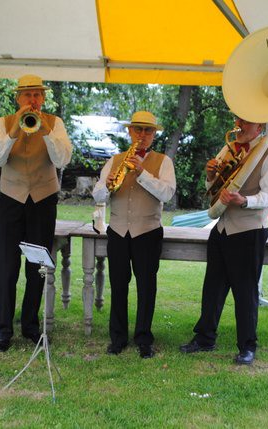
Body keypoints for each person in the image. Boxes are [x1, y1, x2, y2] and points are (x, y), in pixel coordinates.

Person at [179, 114, 268, 365]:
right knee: (212, 287)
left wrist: (245, 201)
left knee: (245, 292)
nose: (239, 125)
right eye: (238, 119)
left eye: (246, 120)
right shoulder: (229, 149)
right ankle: (205, 337)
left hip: (249, 229)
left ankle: (247, 346)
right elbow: (213, 188)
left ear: (259, 125)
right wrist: (210, 175)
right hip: (222, 227)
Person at [0, 74, 72, 352]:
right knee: (6, 266)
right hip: (11, 199)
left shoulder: (55, 123)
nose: (32, 100)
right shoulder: (3, 123)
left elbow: (62, 159)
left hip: (43, 199)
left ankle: (31, 325)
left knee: (37, 266)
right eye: (27, 95)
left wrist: (45, 131)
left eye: (37, 95)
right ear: (17, 98)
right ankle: (3, 330)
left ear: (43, 98)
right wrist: (13, 132)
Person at [92, 111, 176, 359]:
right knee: (118, 285)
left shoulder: (163, 162)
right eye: (137, 129)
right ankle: (117, 338)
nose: (142, 134)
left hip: (148, 231)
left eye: (148, 130)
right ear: (129, 132)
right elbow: (97, 195)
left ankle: (144, 338)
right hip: (118, 230)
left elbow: (167, 193)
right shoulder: (115, 160)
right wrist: (107, 186)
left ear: (154, 134)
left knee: (146, 287)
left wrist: (142, 173)